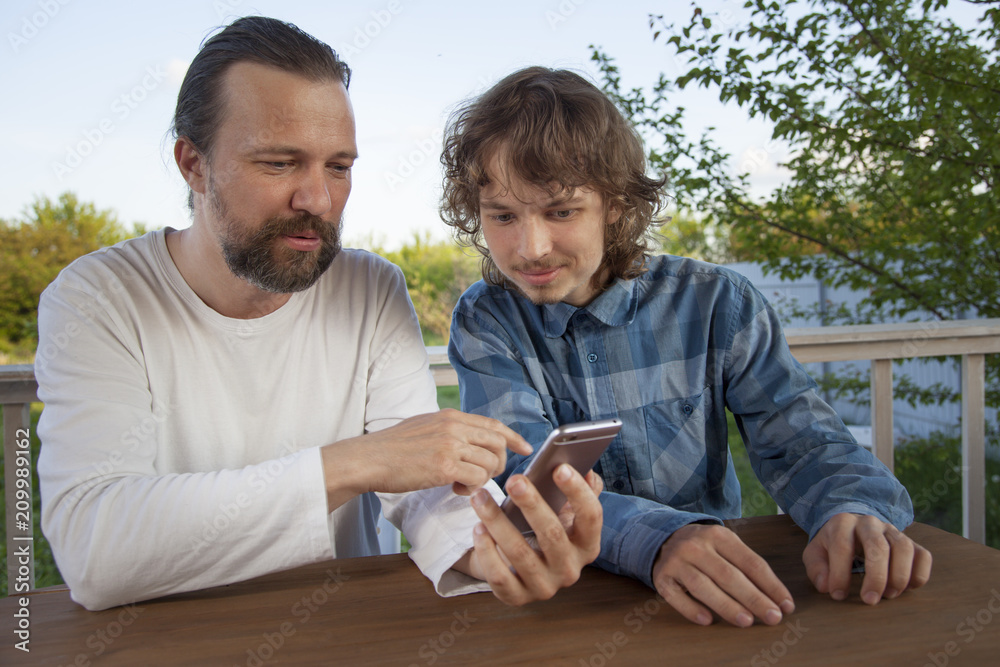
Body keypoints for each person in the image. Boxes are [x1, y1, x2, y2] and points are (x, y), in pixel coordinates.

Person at [35, 19, 603, 612]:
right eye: (280, 164)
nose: (319, 200)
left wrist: (487, 548)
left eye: (338, 166)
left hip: (339, 627)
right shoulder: (97, 298)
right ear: (193, 164)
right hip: (164, 637)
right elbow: (94, 547)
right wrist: (358, 462)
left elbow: (427, 489)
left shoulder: (369, 286)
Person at [441, 66, 933, 628]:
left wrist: (850, 508)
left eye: (561, 211)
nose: (530, 247)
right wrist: (660, 537)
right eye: (503, 215)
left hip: (723, 593)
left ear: (618, 205)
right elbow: (525, 474)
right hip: (565, 606)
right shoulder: (486, 318)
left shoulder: (719, 301)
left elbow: (801, 439)